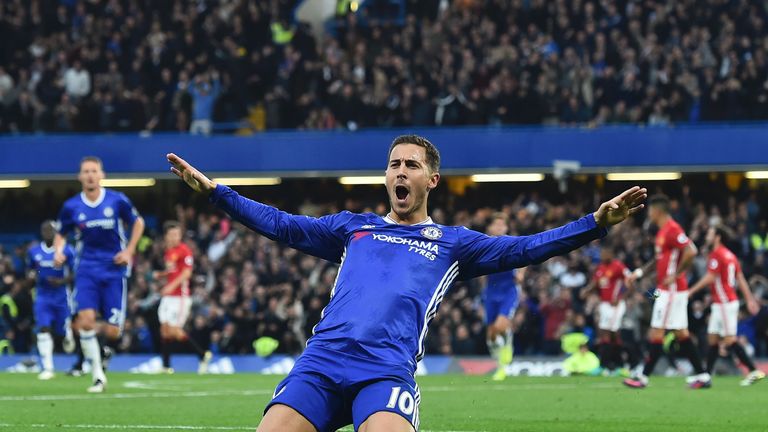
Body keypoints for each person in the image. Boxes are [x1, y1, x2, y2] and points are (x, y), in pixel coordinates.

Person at [167, 134, 646, 432]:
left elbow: (525, 248)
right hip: (321, 363)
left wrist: (595, 223)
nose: (400, 171)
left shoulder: (453, 243)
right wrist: (217, 194)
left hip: (384, 372)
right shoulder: (353, 227)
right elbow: (283, 224)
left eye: (411, 165)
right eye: (394, 164)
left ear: (431, 180)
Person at [54, 156, 145, 393]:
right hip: (86, 269)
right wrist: (58, 251)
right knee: (85, 322)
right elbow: (61, 232)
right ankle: (97, 375)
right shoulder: (71, 206)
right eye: (86, 171)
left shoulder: (117, 201)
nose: (91, 175)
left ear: (102, 174)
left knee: (114, 330)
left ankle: (103, 350)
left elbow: (138, 223)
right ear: (80, 176)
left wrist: (130, 250)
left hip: (114, 270)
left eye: (94, 171)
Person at [623, 195, 710, 389]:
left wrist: (677, 274)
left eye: (651, 210)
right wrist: (637, 273)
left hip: (670, 290)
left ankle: (643, 377)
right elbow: (657, 260)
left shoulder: (672, 229)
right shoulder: (663, 232)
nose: (649, 213)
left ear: (658, 211)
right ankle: (703, 375)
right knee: (681, 333)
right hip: (668, 290)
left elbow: (691, 251)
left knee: (657, 331)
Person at [688, 226, 764, 386]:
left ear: (717, 237)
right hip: (723, 302)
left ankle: (753, 370)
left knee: (729, 339)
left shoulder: (717, 254)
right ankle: (706, 375)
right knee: (713, 338)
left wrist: (691, 291)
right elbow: (740, 277)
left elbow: (710, 277)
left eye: (709, 234)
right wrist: (749, 299)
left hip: (724, 303)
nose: (707, 236)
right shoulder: (730, 255)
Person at [153, 221, 212, 373]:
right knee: (164, 329)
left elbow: (186, 273)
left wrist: (170, 287)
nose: (175, 237)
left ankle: (202, 355)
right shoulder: (168, 252)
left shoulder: (184, 250)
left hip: (180, 297)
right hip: (169, 296)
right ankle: (166, 366)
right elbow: (172, 272)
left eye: (177, 234)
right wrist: (161, 275)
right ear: (166, 236)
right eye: (172, 234)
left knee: (174, 330)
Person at [27, 220, 76, 380]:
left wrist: (61, 281)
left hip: (62, 295)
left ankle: (67, 333)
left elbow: (75, 273)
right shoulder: (34, 251)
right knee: (43, 328)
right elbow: (33, 270)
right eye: (45, 230)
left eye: (51, 230)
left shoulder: (67, 250)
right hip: (43, 296)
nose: (48, 233)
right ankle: (47, 368)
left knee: (62, 333)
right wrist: (32, 276)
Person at [482, 212, 524, 381]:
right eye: (496, 225)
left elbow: (527, 257)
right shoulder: (483, 243)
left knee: (500, 327)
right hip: (491, 292)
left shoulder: (512, 243)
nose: (500, 228)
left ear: (506, 228)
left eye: (502, 225)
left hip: (509, 290)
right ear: (490, 228)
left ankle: (507, 347)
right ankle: (500, 366)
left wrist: (521, 273)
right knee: (491, 335)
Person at [580, 246, 633, 374]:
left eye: (605, 253)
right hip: (604, 304)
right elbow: (596, 283)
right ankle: (616, 365)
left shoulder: (618, 266)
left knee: (608, 333)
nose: (602, 256)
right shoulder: (600, 268)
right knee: (609, 334)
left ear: (611, 253)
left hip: (615, 305)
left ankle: (608, 365)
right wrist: (586, 291)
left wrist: (620, 298)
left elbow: (631, 282)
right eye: (602, 253)